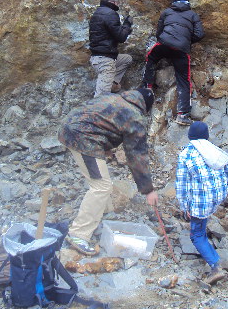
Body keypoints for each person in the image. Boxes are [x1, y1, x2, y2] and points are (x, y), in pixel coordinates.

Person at [58, 89, 158, 255]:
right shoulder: (134, 116)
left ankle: (101, 215)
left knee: (101, 180)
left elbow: (96, 121)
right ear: (145, 106)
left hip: (68, 127)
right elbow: (136, 154)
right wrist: (148, 189)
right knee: (101, 186)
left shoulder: (113, 98)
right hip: (83, 138)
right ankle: (78, 234)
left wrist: (104, 146)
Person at [176, 121, 228, 285]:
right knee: (201, 226)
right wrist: (226, 192)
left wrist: (184, 207)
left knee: (196, 235)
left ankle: (215, 267)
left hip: (201, 201)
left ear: (190, 136)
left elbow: (182, 184)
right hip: (216, 197)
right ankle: (215, 259)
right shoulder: (214, 151)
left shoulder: (186, 154)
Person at [141, 0, 204, 125]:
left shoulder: (167, 12)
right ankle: (183, 115)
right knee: (184, 80)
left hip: (164, 44)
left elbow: (159, 31)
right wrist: (186, 40)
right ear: (188, 4)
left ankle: (147, 87)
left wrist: (164, 39)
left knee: (150, 57)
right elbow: (199, 34)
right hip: (181, 50)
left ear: (174, 3)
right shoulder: (193, 14)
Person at [89, 0, 133, 97]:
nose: (117, 4)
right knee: (101, 97)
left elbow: (111, 32)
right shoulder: (111, 14)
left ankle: (112, 83)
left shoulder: (96, 13)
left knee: (127, 59)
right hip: (105, 61)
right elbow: (121, 37)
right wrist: (127, 25)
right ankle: (98, 105)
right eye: (117, 2)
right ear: (112, 1)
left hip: (96, 58)